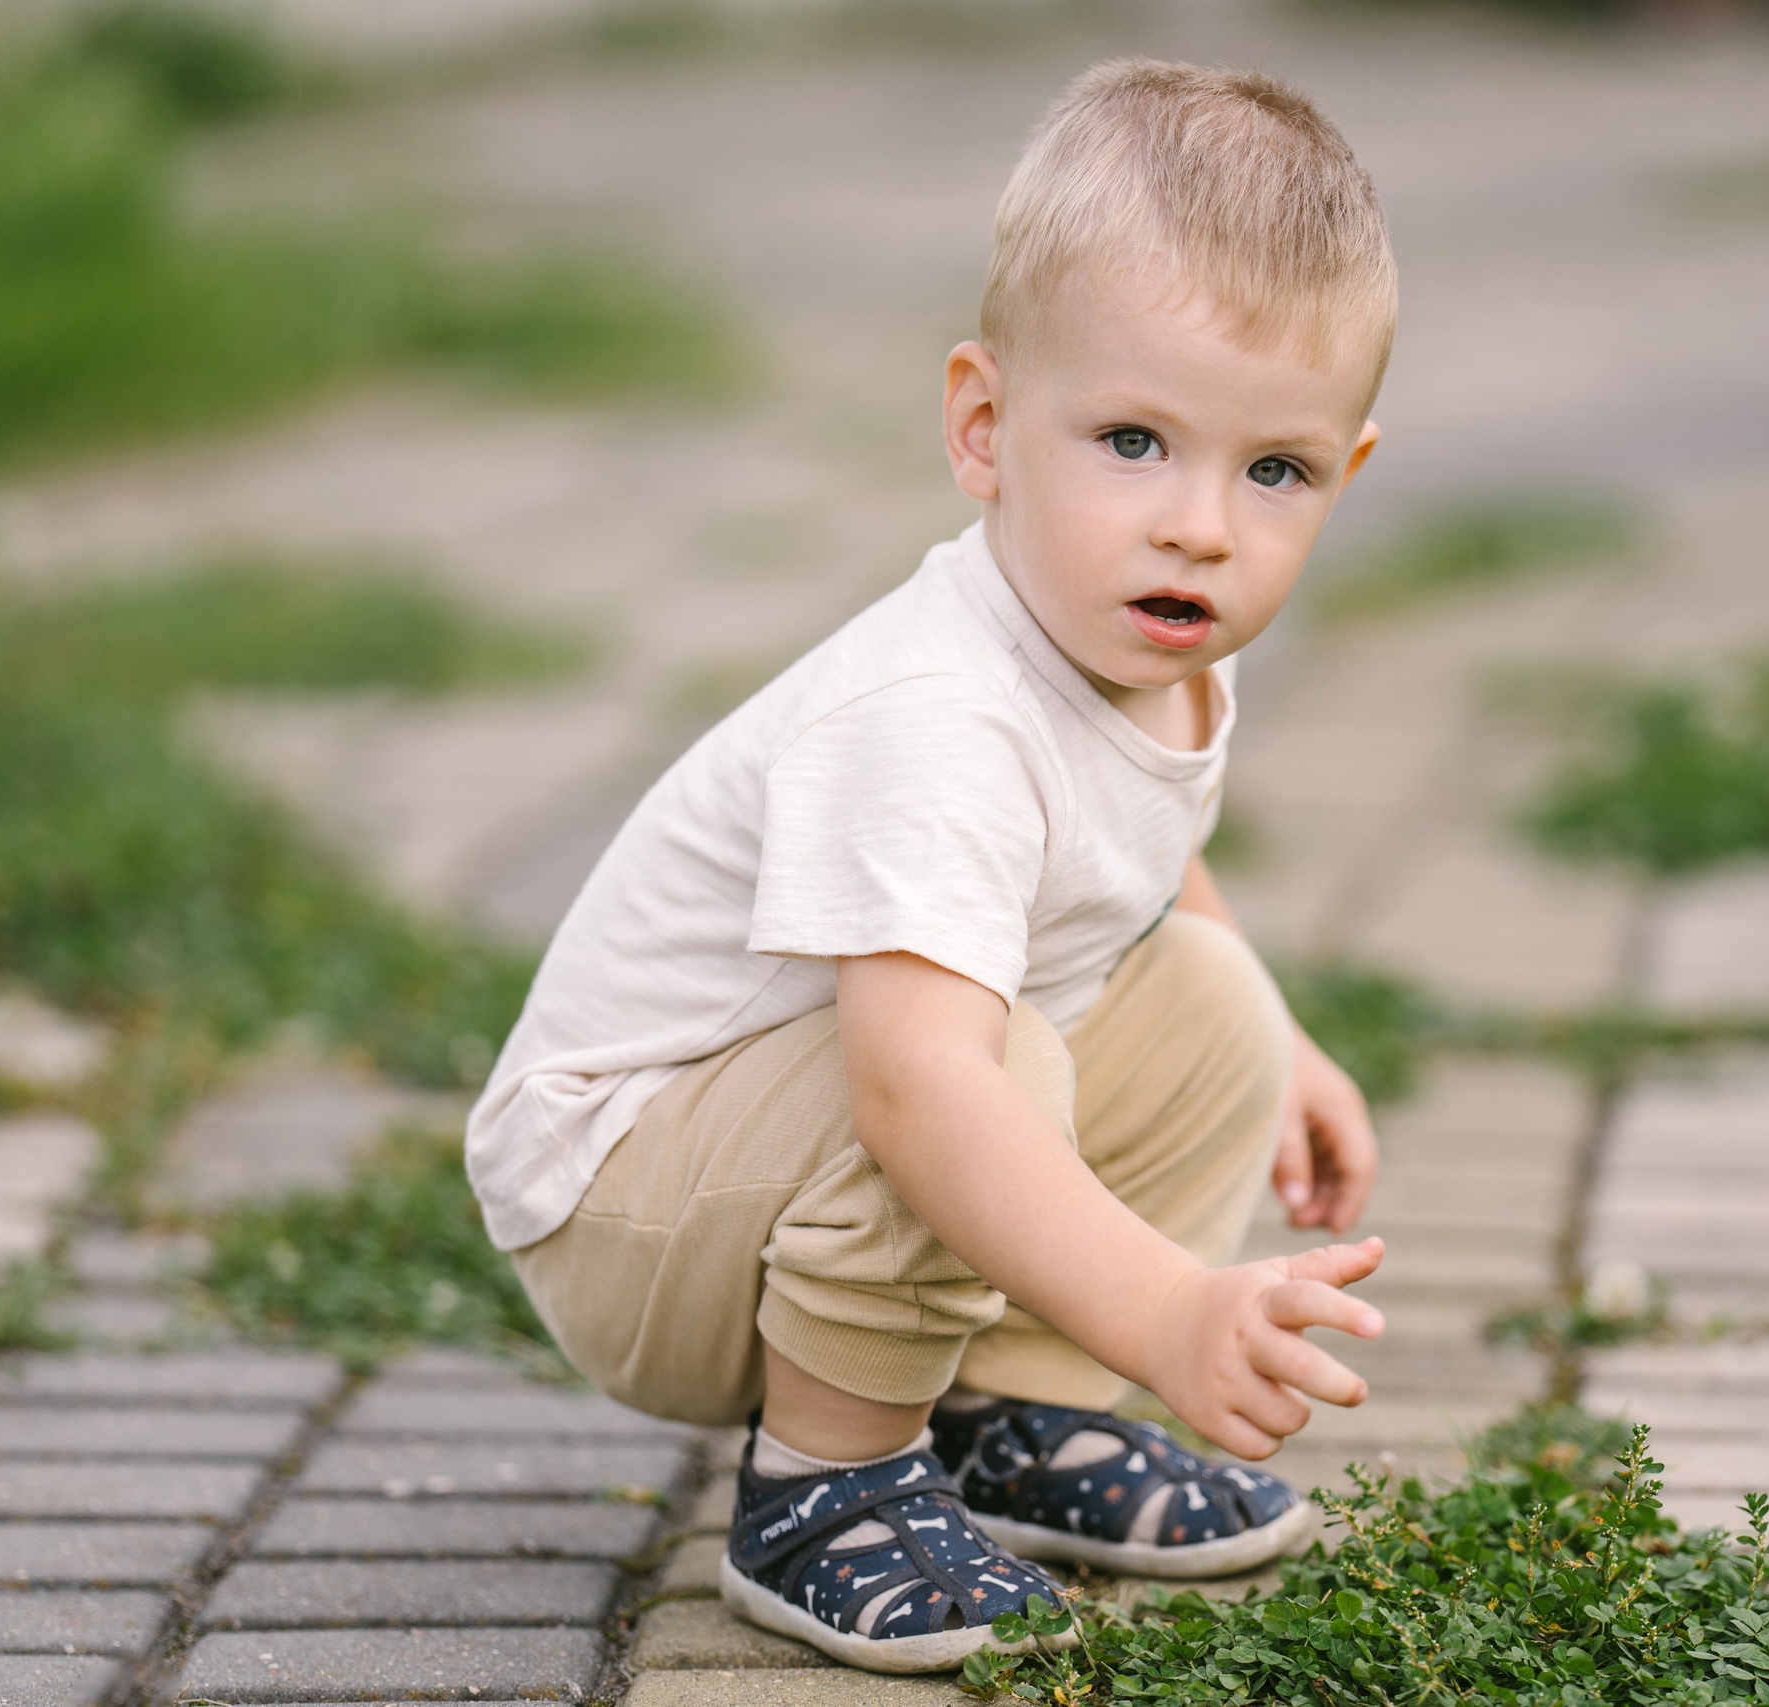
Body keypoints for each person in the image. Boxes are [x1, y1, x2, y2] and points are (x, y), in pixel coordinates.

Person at [466, 56, 1398, 1674]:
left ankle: (1003, 1424)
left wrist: (1279, 1045)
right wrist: (1166, 1308)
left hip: (791, 1159)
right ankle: (822, 1484)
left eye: (1273, 472)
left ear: (1346, 477)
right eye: (1130, 440)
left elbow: (1143, 856)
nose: (1199, 526)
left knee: (1211, 991)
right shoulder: (934, 715)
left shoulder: (1158, 656)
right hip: (628, 1209)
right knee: (986, 1060)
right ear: (983, 426)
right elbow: (914, 1092)